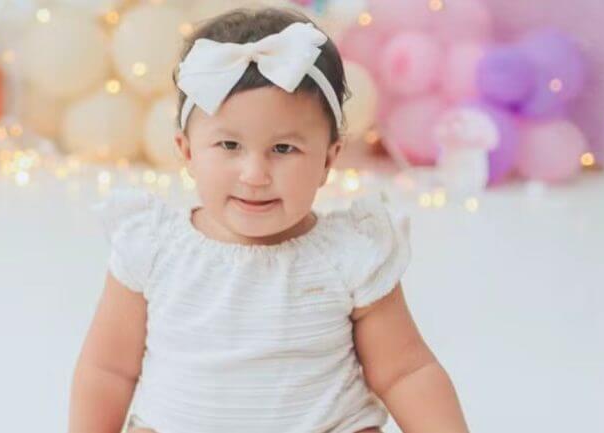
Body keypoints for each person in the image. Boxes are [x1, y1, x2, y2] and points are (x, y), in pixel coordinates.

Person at [69, 7, 469, 433]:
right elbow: (109, 370)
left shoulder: (350, 254)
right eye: (229, 145)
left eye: (283, 149)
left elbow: (404, 371)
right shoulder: (153, 246)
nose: (255, 175)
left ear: (328, 159)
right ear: (187, 151)